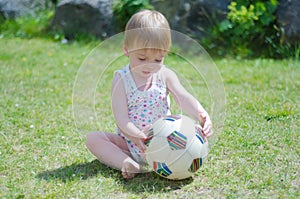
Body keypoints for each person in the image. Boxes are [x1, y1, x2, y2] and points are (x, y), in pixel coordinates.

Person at [86, 9, 213, 179]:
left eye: (157, 60)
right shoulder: (121, 79)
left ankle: (174, 161)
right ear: (126, 49)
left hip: (166, 145)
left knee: (190, 132)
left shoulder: (165, 75)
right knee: (93, 139)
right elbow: (121, 118)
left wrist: (201, 113)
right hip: (132, 144)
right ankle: (126, 162)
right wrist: (136, 135)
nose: (150, 66)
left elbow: (183, 97)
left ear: (165, 54)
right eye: (142, 58)